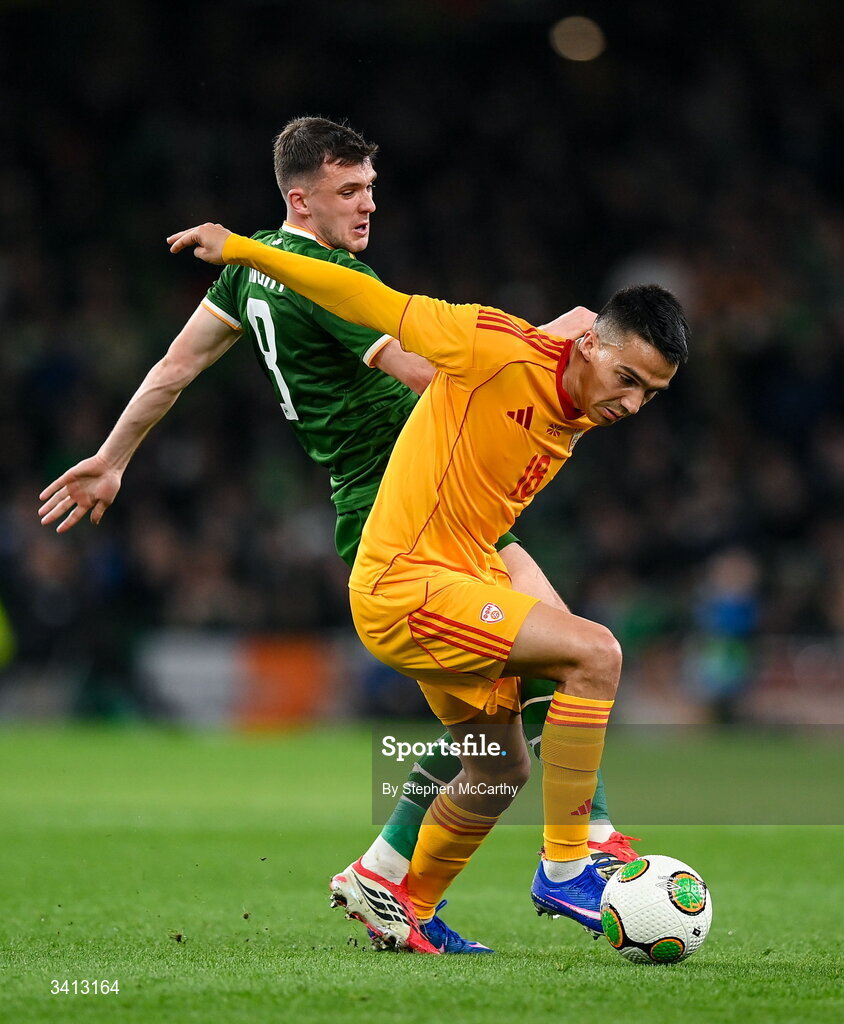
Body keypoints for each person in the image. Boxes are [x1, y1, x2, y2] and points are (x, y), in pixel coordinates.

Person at [37, 117, 636, 954]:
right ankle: (587, 843)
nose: (368, 206)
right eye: (349, 191)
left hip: (383, 508)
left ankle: (389, 877)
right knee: (568, 651)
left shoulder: (252, 281)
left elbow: (174, 367)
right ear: (301, 198)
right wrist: (536, 363)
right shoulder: (326, 277)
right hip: (417, 510)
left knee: (497, 746)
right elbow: (430, 374)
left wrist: (110, 457)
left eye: (370, 189)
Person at [163, 221, 688, 954]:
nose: (631, 405)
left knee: (498, 765)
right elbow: (363, 297)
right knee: (593, 654)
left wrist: (591, 334)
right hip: (406, 585)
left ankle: (404, 900)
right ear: (593, 347)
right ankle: (569, 860)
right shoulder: (490, 344)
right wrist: (246, 249)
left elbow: (579, 328)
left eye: (651, 394)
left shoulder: (587, 384)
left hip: (455, 579)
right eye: (627, 379)